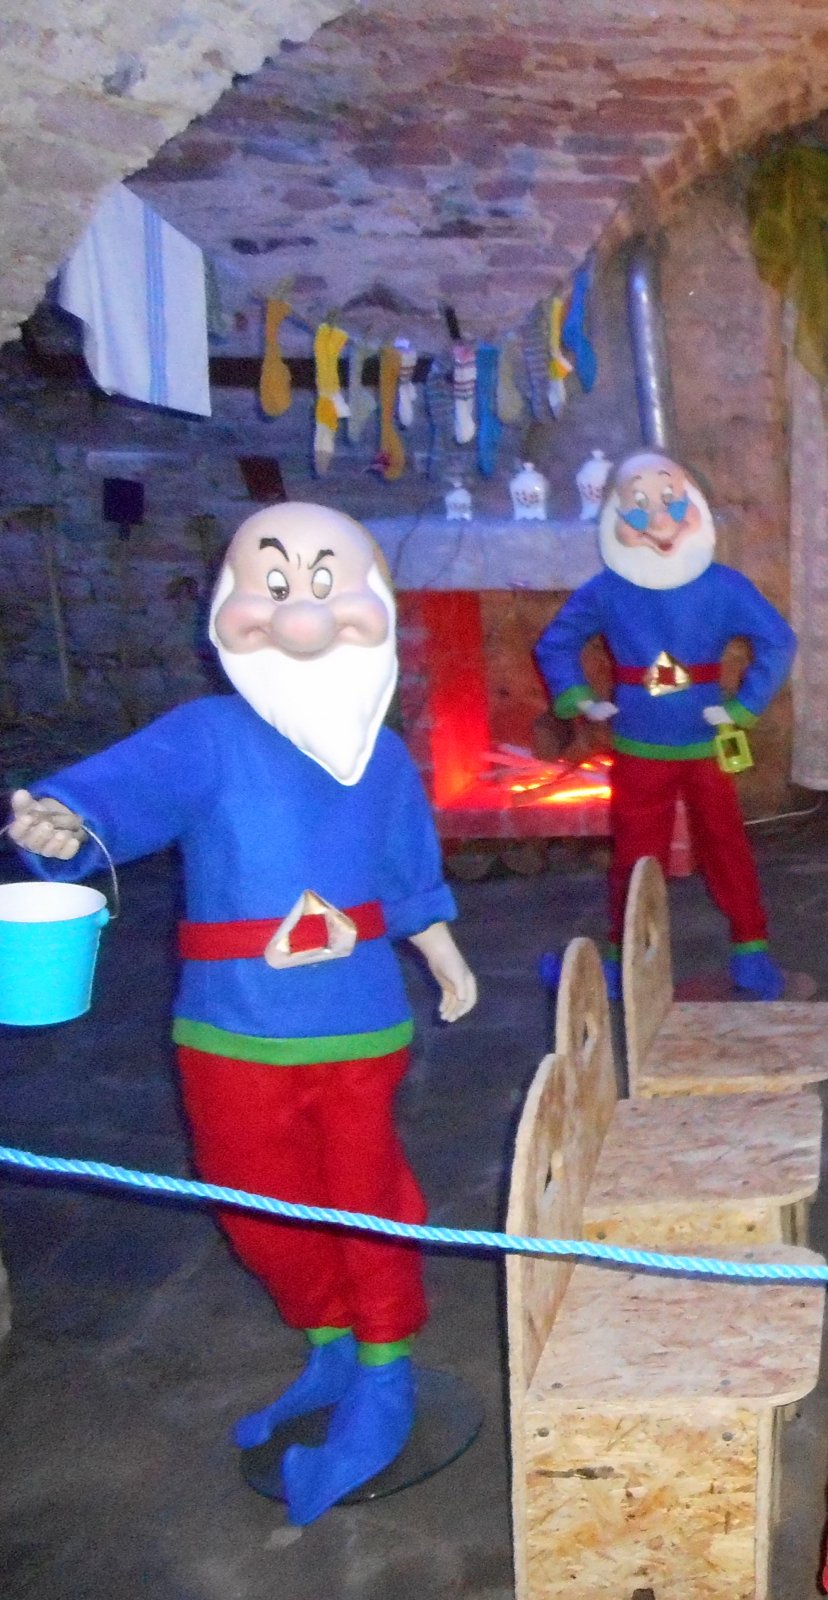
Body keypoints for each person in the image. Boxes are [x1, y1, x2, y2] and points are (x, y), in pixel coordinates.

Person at [7, 503, 477, 1523]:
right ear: (229, 602)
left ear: (373, 602)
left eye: (326, 580)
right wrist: (67, 820)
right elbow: (118, 797)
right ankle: (330, 1342)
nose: (299, 604)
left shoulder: (382, 755)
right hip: (228, 1027)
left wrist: (438, 946)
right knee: (258, 1208)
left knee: (364, 1197)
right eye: (273, 581)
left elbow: (405, 867)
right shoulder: (207, 735)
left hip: (357, 1025)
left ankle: (386, 1365)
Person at [535, 450, 796, 1000]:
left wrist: (744, 708)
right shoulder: (607, 589)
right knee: (634, 856)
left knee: (726, 846)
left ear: (692, 504)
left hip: (707, 742)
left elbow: (778, 640)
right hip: (640, 746)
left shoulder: (724, 586)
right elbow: (556, 644)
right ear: (616, 515)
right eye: (639, 503)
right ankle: (621, 956)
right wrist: (581, 700)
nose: (658, 516)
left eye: (670, 499)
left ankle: (751, 947)